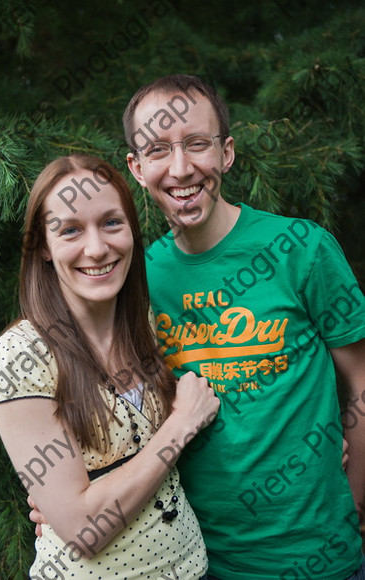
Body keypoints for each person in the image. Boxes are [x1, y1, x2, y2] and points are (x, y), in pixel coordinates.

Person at [122, 74, 365, 579]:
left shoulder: (301, 247)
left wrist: (359, 498)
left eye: (197, 145)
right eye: (158, 150)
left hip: (317, 556)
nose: (181, 168)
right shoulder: (138, 280)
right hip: (190, 559)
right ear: (137, 168)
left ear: (226, 153)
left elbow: (361, 382)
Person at [0, 154, 219, 579]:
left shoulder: (141, 323)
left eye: (111, 222)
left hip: (191, 567)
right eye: (71, 230)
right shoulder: (18, 357)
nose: (97, 247)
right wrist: (181, 424)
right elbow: (84, 527)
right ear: (43, 249)